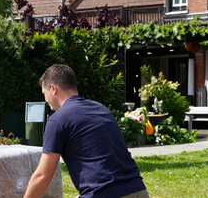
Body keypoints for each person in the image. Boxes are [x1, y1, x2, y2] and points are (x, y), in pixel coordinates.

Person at [25, 64, 148, 198]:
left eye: (44, 93)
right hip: (137, 190)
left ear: (53, 89)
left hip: (102, 193)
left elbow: (43, 176)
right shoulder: (101, 109)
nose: (45, 99)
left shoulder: (58, 120)